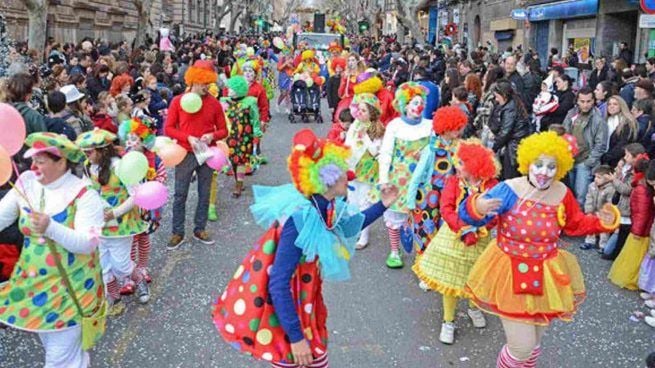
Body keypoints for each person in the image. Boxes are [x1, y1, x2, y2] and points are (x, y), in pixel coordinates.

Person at [212, 128, 398, 368]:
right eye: (343, 171)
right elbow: (278, 283)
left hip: (305, 303)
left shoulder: (326, 206)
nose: (349, 175)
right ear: (328, 177)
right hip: (288, 313)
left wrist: (383, 205)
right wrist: (296, 338)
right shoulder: (301, 218)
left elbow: (351, 226)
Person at [459, 131, 619, 368]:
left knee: (533, 344)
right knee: (521, 347)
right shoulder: (509, 189)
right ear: (528, 163)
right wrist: (478, 206)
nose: (544, 172)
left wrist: (601, 221)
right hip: (510, 272)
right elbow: (471, 217)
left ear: (560, 168)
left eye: (551, 166)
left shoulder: (562, 193)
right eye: (539, 164)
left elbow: (575, 224)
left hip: (545, 274)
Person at [0, 132, 106, 367]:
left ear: (62, 162)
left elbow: (88, 243)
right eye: (32, 159)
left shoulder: (84, 193)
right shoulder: (26, 182)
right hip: (36, 286)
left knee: (58, 359)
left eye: (40, 161)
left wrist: (51, 227)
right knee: (58, 348)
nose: (33, 166)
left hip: (72, 288)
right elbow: (2, 216)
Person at [413, 140, 499, 345]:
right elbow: (446, 209)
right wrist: (462, 229)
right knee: (450, 281)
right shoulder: (453, 182)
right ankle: (448, 321)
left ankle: (473, 308)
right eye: (457, 162)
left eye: (461, 163)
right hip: (453, 237)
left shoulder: (492, 185)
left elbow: (497, 213)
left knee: (475, 277)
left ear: (475, 166)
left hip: (480, 238)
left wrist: (480, 229)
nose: (457, 166)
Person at [76, 129, 149, 312]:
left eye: (89, 152)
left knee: (122, 267)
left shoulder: (119, 166)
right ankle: (114, 299)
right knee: (104, 267)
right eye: (85, 153)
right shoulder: (87, 166)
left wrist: (115, 213)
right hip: (98, 225)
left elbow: (136, 194)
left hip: (121, 225)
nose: (86, 156)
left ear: (102, 150)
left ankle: (139, 280)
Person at [164, 60, 228, 250]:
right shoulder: (177, 102)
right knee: (180, 194)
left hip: (207, 153)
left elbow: (223, 130)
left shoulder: (214, 103)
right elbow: (168, 129)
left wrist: (212, 136)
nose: (206, 88)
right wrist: (188, 137)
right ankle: (177, 232)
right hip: (185, 153)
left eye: (209, 84)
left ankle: (199, 229)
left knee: (204, 192)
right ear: (193, 81)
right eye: (203, 84)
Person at [378, 82, 433, 268]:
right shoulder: (394, 125)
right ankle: (395, 250)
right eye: (413, 102)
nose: (418, 106)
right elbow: (385, 153)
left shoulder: (430, 126)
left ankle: (421, 252)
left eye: (420, 102)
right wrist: (383, 180)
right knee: (395, 216)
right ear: (404, 105)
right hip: (399, 178)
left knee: (422, 216)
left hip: (423, 181)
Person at [345, 93, 385, 250]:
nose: (359, 113)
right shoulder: (354, 125)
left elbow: (377, 151)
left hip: (368, 170)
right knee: (352, 200)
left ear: (372, 113)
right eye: (359, 109)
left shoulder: (377, 129)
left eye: (364, 110)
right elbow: (348, 144)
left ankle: (364, 235)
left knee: (364, 202)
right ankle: (355, 229)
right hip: (352, 168)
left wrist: (366, 138)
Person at [608, 154, 654, 290]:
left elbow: (642, 214)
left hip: (640, 230)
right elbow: (642, 213)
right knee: (635, 258)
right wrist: (638, 230)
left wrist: (638, 230)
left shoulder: (641, 189)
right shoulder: (643, 189)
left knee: (634, 257)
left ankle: (633, 279)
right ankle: (633, 279)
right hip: (641, 230)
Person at [563, 86, 608, 206]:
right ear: (577, 101)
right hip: (570, 159)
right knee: (570, 193)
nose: (585, 105)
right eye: (582, 101)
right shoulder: (571, 113)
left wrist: (589, 162)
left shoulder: (598, 119)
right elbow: (564, 133)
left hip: (585, 161)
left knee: (581, 197)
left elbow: (601, 144)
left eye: (588, 101)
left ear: (593, 101)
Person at [602, 143, 646, 260]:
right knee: (619, 231)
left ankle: (617, 255)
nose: (625, 158)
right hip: (622, 207)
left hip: (627, 209)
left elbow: (626, 189)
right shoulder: (628, 168)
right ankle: (613, 252)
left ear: (636, 157)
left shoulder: (636, 173)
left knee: (623, 235)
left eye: (627, 155)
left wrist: (614, 180)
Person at [221, 76, 261, 198]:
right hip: (229, 136)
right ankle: (238, 179)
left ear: (238, 90)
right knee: (232, 159)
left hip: (244, 136)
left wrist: (256, 133)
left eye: (232, 89)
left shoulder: (250, 102)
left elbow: (255, 119)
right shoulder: (225, 102)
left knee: (242, 160)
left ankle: (238, 185)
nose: (229, 91)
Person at [489, 80, 532, 179]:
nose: (496, 99)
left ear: (504, 95)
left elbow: (505, 132)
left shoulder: (509, 108)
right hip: (516, 144)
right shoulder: (513, 103)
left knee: (510, 177)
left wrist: (493, 148)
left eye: (497, 96)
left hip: (514, 147)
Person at [580, 165, 615, 250]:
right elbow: (589, 198)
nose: (596, 179)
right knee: (590, 223)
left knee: (604, 229)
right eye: (595, 176)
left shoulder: (611, 189)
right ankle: (589, 241)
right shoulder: (592, 186)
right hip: (594, 210)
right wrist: (589, 211)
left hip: (605, 213)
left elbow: (610, 203)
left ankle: (603, 245)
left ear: (607, 179)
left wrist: (604, 213)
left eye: (599, 177)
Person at [601, 95, 638, 168]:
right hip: (604, 158)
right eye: (609, 104)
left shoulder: (628, 123)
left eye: (615, 104)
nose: (611, 106)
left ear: (621, 106)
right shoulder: (604, 121)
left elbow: (623, 144)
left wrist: (607, 157)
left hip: (619, 161)